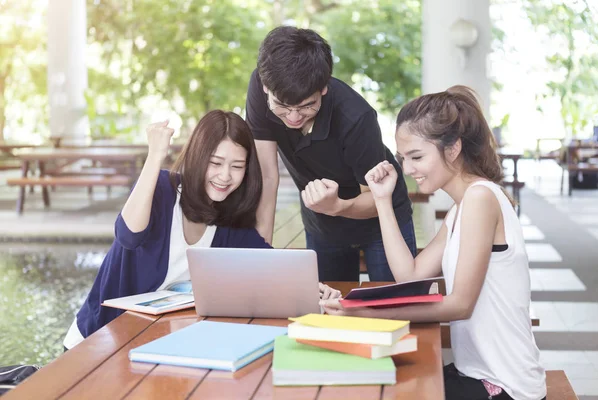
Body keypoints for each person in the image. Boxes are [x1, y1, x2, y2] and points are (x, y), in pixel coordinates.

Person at [321, 86, 546, 400]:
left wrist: (368, 315)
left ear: (452, 149)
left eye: (416, 157)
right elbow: (410, 276)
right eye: (403, 158)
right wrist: (382, 200)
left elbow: (460, 305)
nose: (408, 169)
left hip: (505, 387)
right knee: (375, 380)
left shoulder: (481, 198)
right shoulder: (461, 208)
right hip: (476, 373)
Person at [64, 110, 340, 350]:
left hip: (149, 342)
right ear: (197, 157)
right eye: (216, 163)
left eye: (237, 166)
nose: (225, 176)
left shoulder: (230, 224)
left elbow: (270, 268)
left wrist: (315, 291)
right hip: (98, 340)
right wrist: (155, 156)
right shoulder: (161, 189)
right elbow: (128, 235)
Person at [246, 26, 416, 282]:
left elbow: (377, 198)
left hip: (382, 223)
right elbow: (267, 178)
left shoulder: (356, 118)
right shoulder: (260, 88)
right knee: (328, 310)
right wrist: (260, 255)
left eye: (307, 106)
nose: (292, 117)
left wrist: (337, 206)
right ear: (266, 88)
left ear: (324, 88)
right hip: (322, 224)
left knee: (395, 308)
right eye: (282, 106)